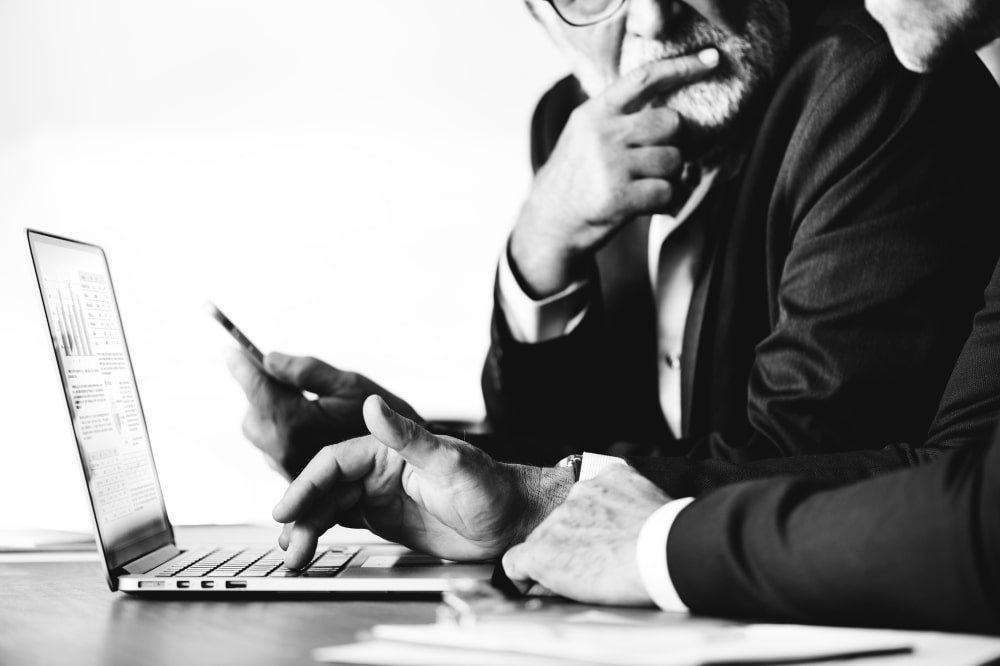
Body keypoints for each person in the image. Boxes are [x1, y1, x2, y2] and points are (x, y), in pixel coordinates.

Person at [230, 0, 1000, 499]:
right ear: (539, 17)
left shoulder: (876, 82)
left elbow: (809, 458)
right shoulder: (572, 126)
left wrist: (453, 481)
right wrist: (403, 444)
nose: (656, 18)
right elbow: (577, 443)